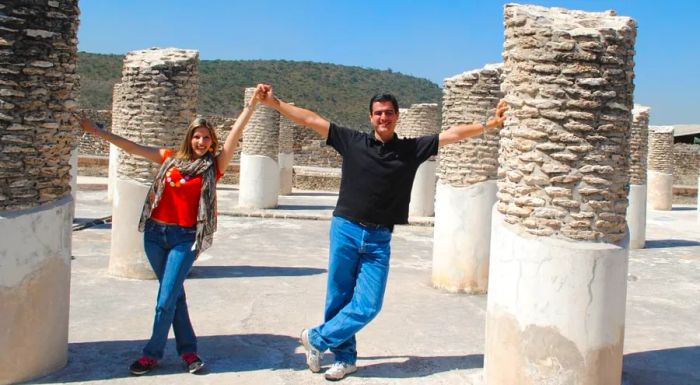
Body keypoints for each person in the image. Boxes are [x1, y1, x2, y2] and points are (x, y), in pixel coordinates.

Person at [255, 83, 507, 381]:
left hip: (378, 239)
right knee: (338, 298)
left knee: (368, 305)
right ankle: (345, 359)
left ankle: (316, 338)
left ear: (397, 116)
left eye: (388, 113)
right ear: (370, 116)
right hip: (346, 229)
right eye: (378, 113)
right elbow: (310, 119)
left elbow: (452, 134)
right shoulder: (352, 141)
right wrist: (275, 104)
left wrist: (488, 124)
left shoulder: (411, 149)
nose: (383, 118)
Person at [75, 87, 263, 376]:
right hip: (154, 235)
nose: (201, 141)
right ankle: (189, 352)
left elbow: (237, 132)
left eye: (206, 137)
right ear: (189, 137)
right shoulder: (170, 158)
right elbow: (132, 147)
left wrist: (251, 106)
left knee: (165, 300)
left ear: (212, 141)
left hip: (184, 239)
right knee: (175, 295)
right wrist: (96, 131)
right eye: (197, 136)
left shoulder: (213, 166)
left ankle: (152, 354)